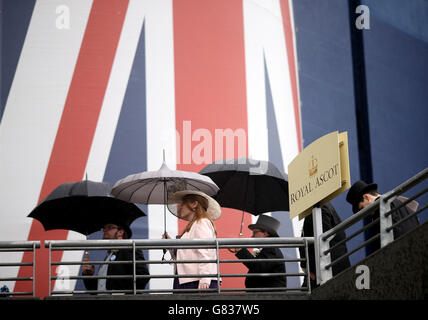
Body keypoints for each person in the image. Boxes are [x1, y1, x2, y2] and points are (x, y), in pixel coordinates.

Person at [163, 190, 221, 292]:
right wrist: (170, 245)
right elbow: (185, 255)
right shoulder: (195, 225)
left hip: (196, 282)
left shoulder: (201, 223)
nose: (179, 206)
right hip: (190, 280)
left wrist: (205, 280)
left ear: (194, 204)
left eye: (182, 203)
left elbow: (206, 252)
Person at [346, 180, 420, 255]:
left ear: (366, 197)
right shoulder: (402, 203)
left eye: (362, 208)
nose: (365, 213)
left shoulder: (380, 208)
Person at [81, 221, 150, 294]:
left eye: (109, 227)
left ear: (120, 232)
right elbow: (97, 290)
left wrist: (123, 294)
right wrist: (88, 275)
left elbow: (143, 276)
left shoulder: (129, 249)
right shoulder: (109, 255)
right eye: (104, 228)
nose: (104, 230)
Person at [298, 202, 351, 289]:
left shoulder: (320, 209)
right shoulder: (322, 208)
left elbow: (324, 241)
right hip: (325, 270)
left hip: (325, 272)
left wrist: (311, 271)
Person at [234, 215, 287, 291]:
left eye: (255, 233)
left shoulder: (271, 249)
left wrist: (241, 250)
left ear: (265, 233)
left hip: (270, 295)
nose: (252, 237)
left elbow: (257, 266)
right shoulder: (268, 249)